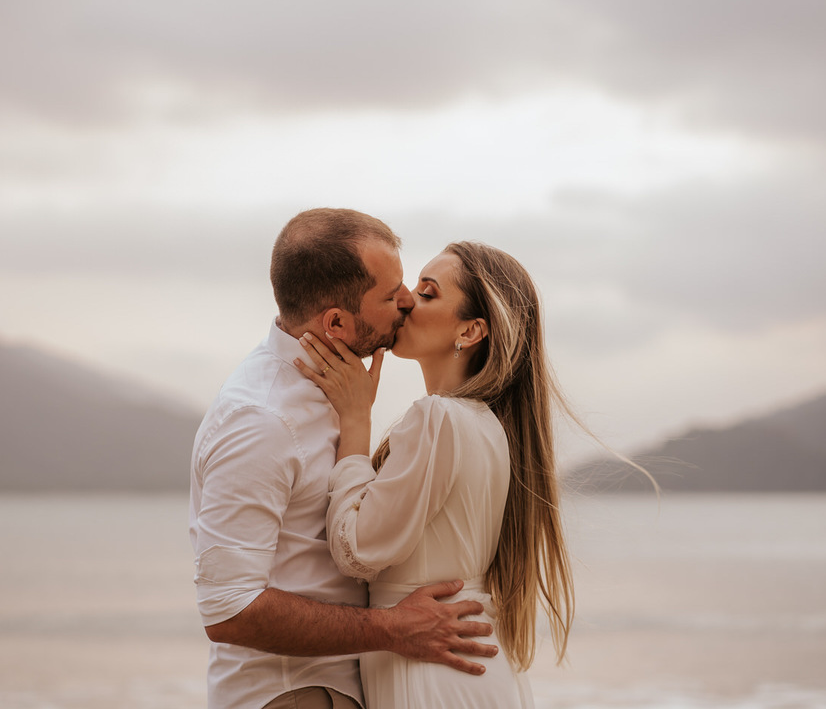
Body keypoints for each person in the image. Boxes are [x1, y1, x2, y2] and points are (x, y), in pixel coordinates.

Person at [189, 210, 498, 709]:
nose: (405, 302)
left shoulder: (343, 395)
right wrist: (393, 628)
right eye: (391, 292)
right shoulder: (259, 420)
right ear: (335, 321)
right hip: (293, 693)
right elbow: (229, 609)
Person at [294, 241, 576, 708]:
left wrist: (355, 423)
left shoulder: (438, 419)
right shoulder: (488, 427)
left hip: (434, 679)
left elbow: (357, 551)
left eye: (427, 294)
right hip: (469, 672)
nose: (405, 300)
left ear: (470, 331)